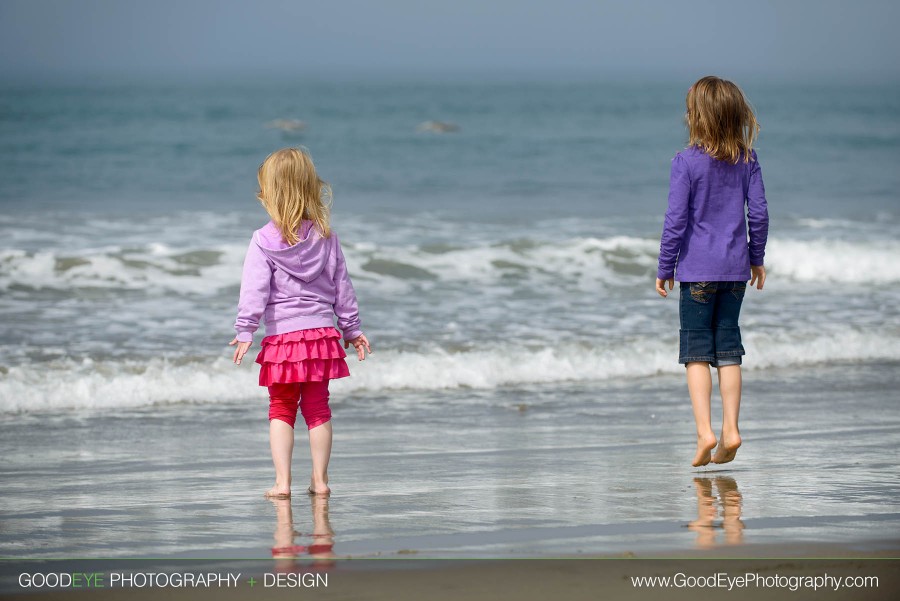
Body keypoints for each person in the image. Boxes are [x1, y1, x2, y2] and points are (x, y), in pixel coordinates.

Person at [230, 147, 371, 497]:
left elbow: (254, 290)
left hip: (284, 339)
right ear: (310, 188)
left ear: (269, 193)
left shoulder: (262, 241)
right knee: (318, 407)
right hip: (322, 335)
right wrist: (351, 329)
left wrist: (246, 328)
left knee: (281, 407)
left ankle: (282, 483)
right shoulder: (327, 238)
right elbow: (343, 288)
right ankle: (320, 481)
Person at [656, 76, 768, 467]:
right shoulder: (747, 160)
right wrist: (756, 257)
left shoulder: (685, 162)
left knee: (696, 354)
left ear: (696, 118)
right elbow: (759, 213)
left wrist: (664, 265)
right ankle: (731, 429)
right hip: (735, 271)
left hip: (697, 272)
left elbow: (675, 220)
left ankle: (705, 432)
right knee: (729, 350)